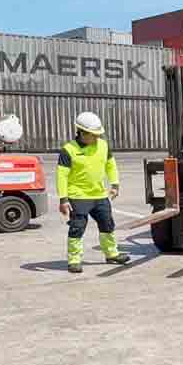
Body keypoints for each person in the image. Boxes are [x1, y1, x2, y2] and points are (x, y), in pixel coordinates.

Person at [57, 111, 130, 273]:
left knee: (107, 224)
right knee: (77, 227)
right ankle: (74, 260)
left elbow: (110, 165)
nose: (97, 138)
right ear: (82, 132)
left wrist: (115, 184)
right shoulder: (68, 150)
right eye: (93, 135)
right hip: (78, 195)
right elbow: (61, 176)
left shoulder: (103, 145)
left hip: (100, 195)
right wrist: (63, 199)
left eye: (98, 134)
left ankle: (112, 254)